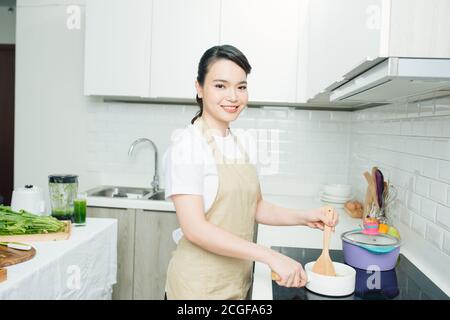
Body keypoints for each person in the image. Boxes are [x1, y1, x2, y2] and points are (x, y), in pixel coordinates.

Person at [163, 44, 338, 300]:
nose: (233, 96)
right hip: (198, 289)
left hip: (235, 282)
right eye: (220, 85)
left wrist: (305, 216)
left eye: (241, 86)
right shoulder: (187, 146)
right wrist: (269, 256)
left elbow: (254, 207)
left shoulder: (237, 142)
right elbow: (195, 229)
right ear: (199, 88)